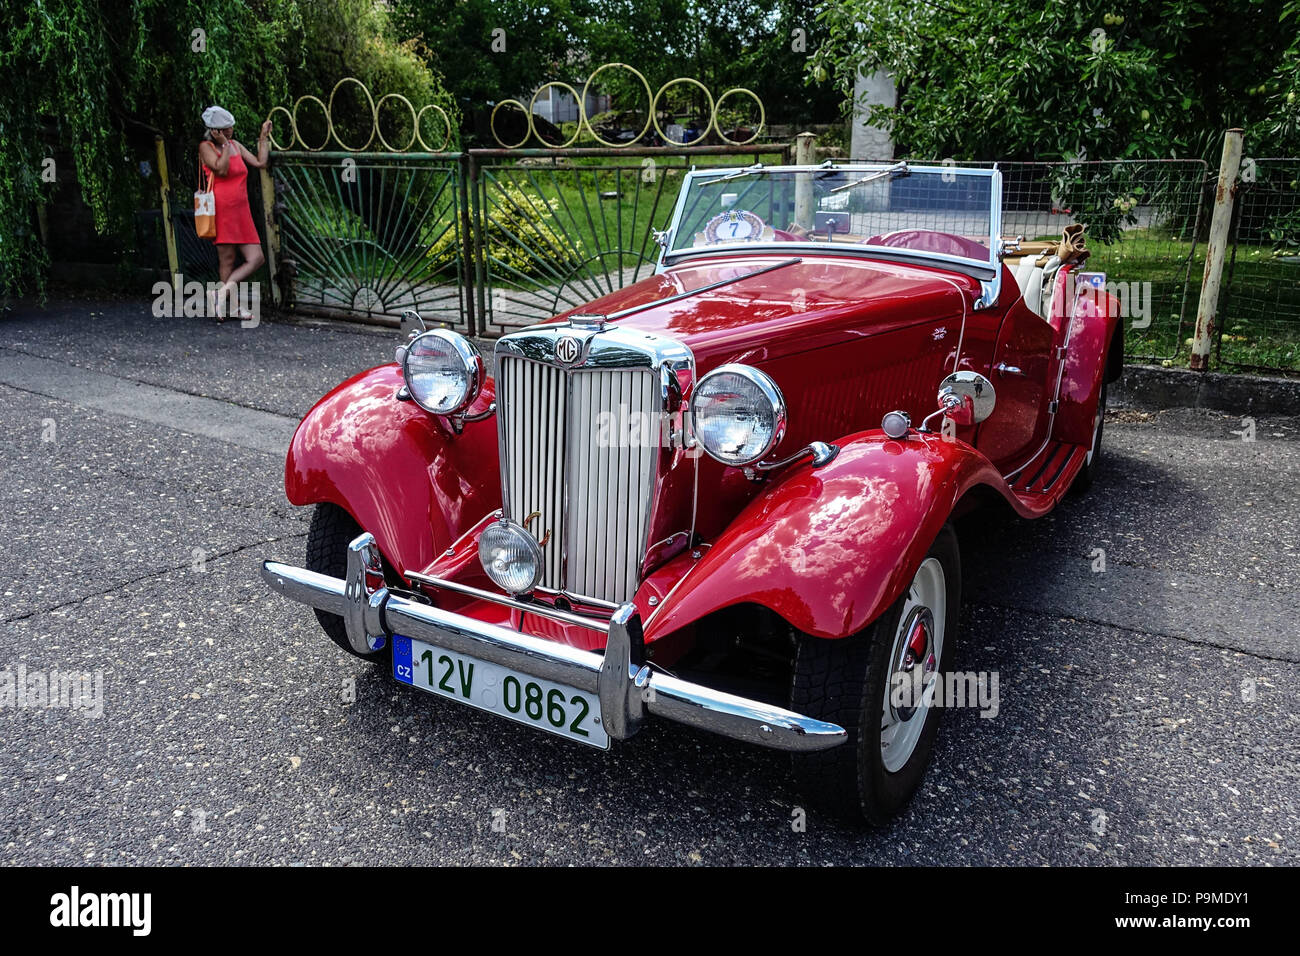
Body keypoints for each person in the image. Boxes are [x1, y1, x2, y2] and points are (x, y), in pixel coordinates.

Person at [197, 106, 271, 321]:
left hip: (242, 209)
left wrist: (262, 137)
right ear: (214, 131)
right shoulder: (206, 147)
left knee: (256, 258)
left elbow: (260, 162)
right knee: (227, 260)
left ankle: (219, 294)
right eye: (224, 129)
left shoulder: (235, 145)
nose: (229, 131)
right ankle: (233, 307)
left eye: (230, 128)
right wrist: (223, 146)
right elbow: (220, 169)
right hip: (223, 209)